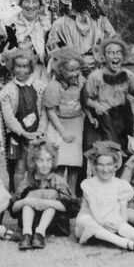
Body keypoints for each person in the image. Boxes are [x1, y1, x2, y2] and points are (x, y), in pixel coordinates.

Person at [74, 141, 134, 254]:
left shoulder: (120, 185)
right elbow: (95, 212)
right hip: (91, 223)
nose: (105, 169)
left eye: (109, 165)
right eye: (101, 165)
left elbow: (123, 217)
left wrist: (118, 223)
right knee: (85, 220)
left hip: (111, 223)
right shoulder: (89, 185)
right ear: (95, 166)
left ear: (115, 166)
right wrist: (106, 223)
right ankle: (123, 242)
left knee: (120, 223)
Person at [46, 0, 115, 77]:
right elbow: (52, 49)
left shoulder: (100, 20)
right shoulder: (60, 24)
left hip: (98, 70)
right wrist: (68, 60)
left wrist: (100, 55)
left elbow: (113, 40)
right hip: (71, 71)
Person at [11, 140, 79, 250]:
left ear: (53, 161)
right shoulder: (28, 181)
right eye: (40, 160)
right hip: (31, 220)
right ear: (34, 161)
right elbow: (13, 208)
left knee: (51, 200)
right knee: (28, 203)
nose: (45, 165)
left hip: (54, 222)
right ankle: (27, 234)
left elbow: (68, 207)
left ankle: (40, 234)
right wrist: (27, 201)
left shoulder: (58, 181)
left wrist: (45, 202)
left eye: (48, 160)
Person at [81, 36, 134, 158]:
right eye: (111, 53)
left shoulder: (128, 75)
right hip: (104, 117)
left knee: (125, 149)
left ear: (123, 56)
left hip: (123, 116)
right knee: (108, 150)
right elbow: (86, 99)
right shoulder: (96, 76)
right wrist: (97, 106)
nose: (115, 56)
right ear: (103, 57)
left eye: (118, 52)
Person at [0, 0, 50, 83]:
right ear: (21, 3)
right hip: (14, 79)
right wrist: (4, 56)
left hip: (40, 79)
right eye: (27, 1)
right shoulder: (7, 26)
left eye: (34, 2)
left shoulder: (46, 27)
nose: (30, 6)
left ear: (40, 5)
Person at [0, 48, 47, 192]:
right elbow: (8, 117)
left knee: (37, 165)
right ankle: (18, 194)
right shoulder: (8, 90)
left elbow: (44, 111)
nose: (21, 70)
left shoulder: (40, 86)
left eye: (25, 66)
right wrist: (22, 132)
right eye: (18, 66)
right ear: (12, 67)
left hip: (36, 134)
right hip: (18, 134)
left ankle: (35, 193)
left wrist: (40, 131)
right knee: (19, 167)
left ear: (30, 68)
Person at [44, 47, 86, 194]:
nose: (75, 73)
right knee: (60, 162)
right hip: (59, 125)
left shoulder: (81, 82)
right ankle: (59, 192)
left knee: (74, 162)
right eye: (71, 70)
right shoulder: (54, 86)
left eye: (77, 69)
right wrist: (63, 133)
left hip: (76, 123)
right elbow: (51, 111)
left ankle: (71, 194)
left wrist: (89, 116)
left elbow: (84, 101)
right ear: (61, 70)